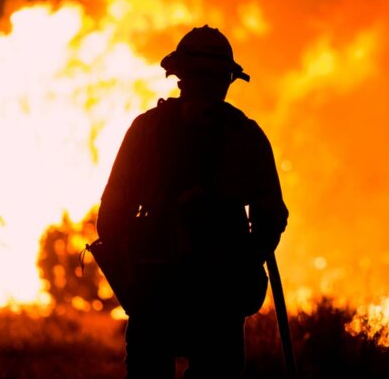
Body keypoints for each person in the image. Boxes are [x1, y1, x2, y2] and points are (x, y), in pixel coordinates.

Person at [97, 25, 288, 378]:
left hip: (155, 294)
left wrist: (135, 262)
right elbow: (271, 219)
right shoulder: (247, 137)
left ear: (177, 75)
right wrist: (240, 262)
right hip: (219, 305)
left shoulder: (145, 132)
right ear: (229, 80)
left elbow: (110, 220)